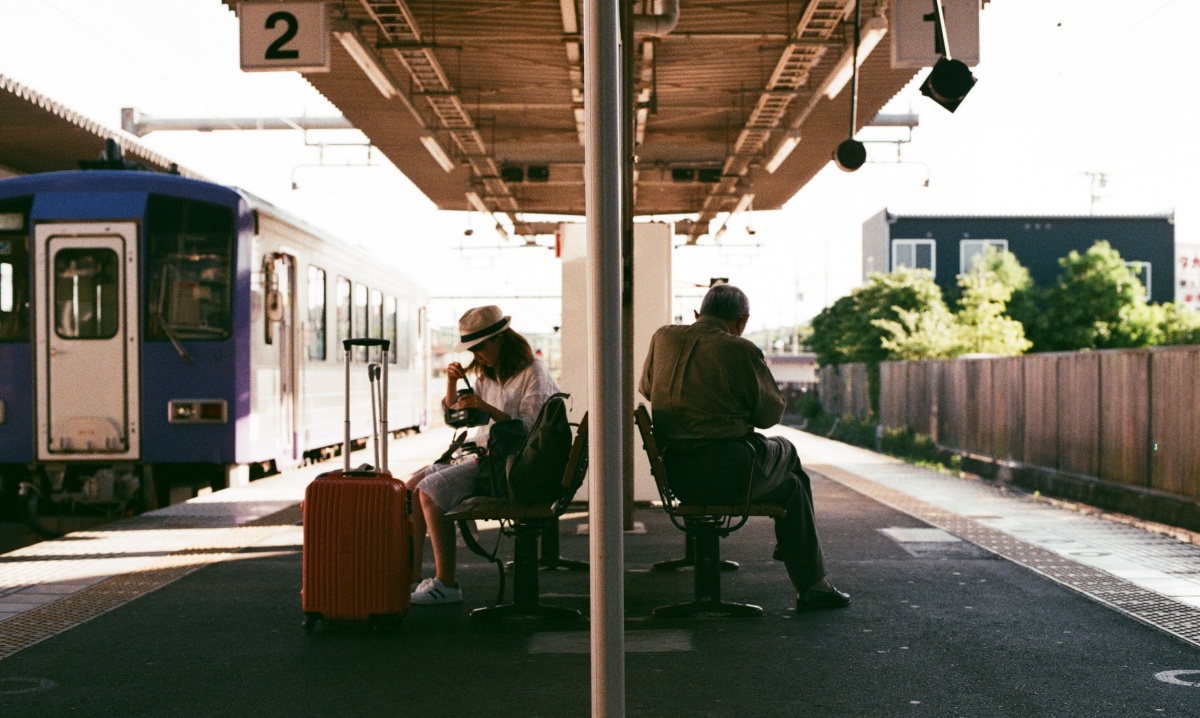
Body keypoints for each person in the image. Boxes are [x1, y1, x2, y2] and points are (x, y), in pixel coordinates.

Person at [639, 283, 850, 612]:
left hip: (677, 473)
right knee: (788, 450)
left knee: (792, 487)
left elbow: (647, 388)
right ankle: (804, 571)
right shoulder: (740, 350)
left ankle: (812, 582)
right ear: (742, 321)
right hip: (729, 473)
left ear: (698, 314)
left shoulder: (663, 338)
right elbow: (769, 416)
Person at [407, 305, 559, 605]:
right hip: (485, 458)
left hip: (512, 466)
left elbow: (533, 429)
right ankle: (413, 577)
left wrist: (487, 409)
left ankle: (447, 583)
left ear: (499, 339)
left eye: (479, 347)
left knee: (429, 491)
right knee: (411, 487)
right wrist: (452, 384)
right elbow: (457, 417)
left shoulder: (533, 372)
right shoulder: (488, 376)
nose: (476, 356)